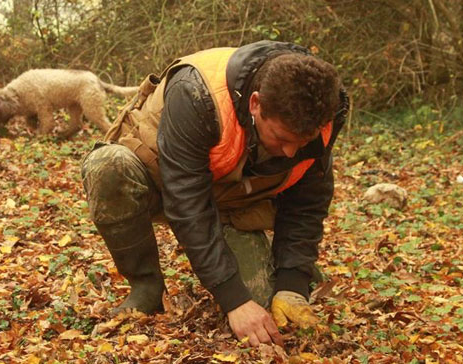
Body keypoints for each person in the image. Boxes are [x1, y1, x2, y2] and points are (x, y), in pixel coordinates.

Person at [80, 41, 348, 346]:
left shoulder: (321, 114)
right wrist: (233, 300)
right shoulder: (196, 92)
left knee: (263, 302)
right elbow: (187, 203)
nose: (290, 152)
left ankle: (286, 265)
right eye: (282, 138)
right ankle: (146, 286)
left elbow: (307, 205)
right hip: (163, 181)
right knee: (107, 166)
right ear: (256, 104)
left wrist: (292, 283)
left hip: (235, 204)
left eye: (302, 141)